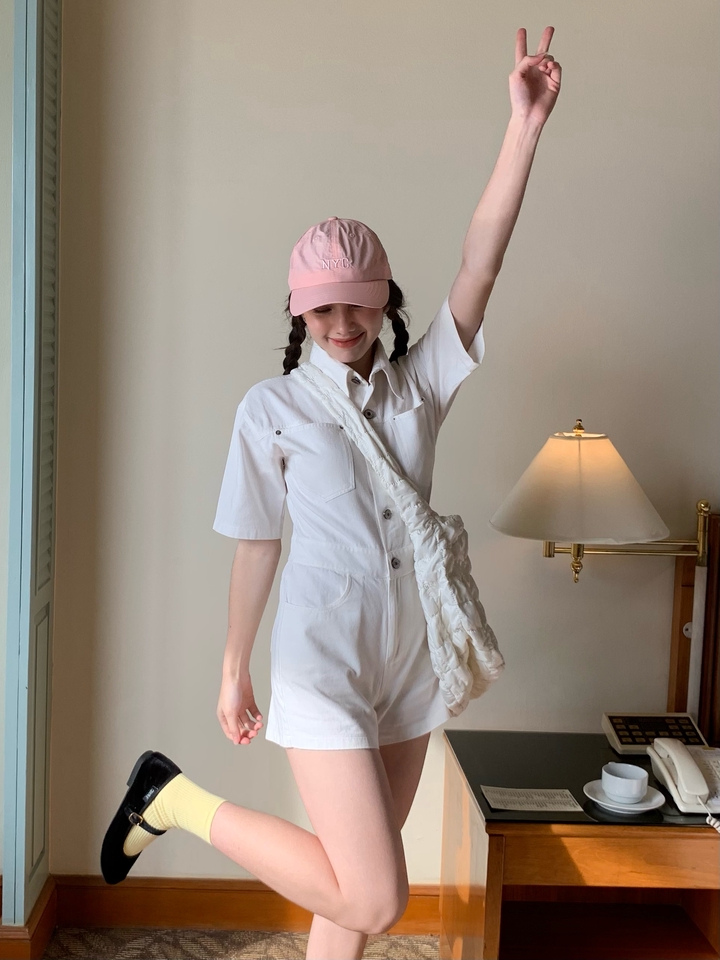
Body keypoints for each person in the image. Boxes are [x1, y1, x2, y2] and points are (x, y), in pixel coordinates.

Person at [100, 26, 561, 960]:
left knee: (350, 895)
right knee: (379, 896)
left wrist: (524, 127)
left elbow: (480, 261)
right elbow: (257, 542)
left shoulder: (420, 386)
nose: (341, 322)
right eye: (321, 306)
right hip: (322, 661)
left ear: (385, 299)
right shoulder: (272, 409)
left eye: (357, 301)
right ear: (297, 310)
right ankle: (172, 798)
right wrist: (234, 666)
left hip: (407, 661)